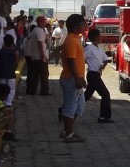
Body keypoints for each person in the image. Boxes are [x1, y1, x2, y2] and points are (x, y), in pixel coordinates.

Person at [58, 14, 88, 143]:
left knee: (79, 107)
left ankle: (67, 129)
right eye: (83, 24)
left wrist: (81, 77)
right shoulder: (70, 40)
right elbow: (71, 62)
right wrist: (77, 78)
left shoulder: (76, 38)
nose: (85, 25)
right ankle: (69, 134)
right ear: (76, 26)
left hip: (76, 78)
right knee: (70, 107)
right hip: (70, 79)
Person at [83, 27, 113, 123]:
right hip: (92, 74)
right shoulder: (89, 48)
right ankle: (103, 117)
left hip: (96, 74)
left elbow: (106, 59)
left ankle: (64, 109)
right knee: (105, 94)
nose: (101, 37)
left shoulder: (98, 49)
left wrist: (102, 66)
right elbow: (81, 58)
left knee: (86, 96)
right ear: (96, 37)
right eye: (100, 36)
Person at [0, 34, 20, 140]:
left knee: (2, 87)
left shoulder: (1, 51)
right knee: (11, 89)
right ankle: (8, 102)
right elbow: (17, 61)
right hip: (10, 72)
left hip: (2, 72)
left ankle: (2, 102)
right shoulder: (15, 51)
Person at [23, 17, 51, 95]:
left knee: (34, 75)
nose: (45, 23)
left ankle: (31, 90)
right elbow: (40, 43)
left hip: (34, 56)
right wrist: (42, 54)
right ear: (41, 22)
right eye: (44, 21)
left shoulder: (34, 30)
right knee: (44, 75)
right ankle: (44, 91)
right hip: (40, 56)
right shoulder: (40, 31)